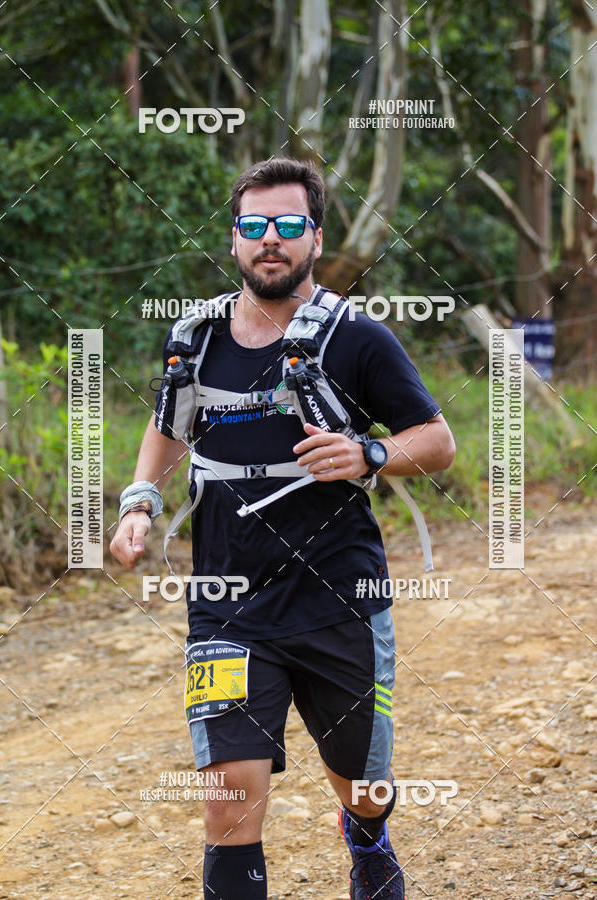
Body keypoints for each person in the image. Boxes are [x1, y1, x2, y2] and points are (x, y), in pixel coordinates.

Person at [110, 157, 456, 900]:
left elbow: (436, 441)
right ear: (234, 239)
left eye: (289, 225)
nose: (272, 240)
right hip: (227, 601)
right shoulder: (194, 336)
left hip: (338, 596)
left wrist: (368, 451)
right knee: (229, 804)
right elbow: (170, 424)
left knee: (363, 786)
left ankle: (365, 836)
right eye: (255, 226)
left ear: (315, 237)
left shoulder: (357, 338)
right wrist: (140, 499)